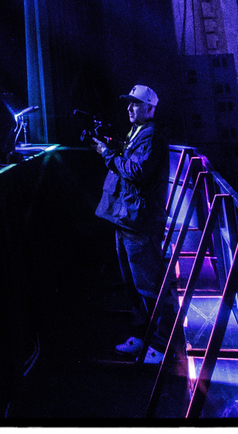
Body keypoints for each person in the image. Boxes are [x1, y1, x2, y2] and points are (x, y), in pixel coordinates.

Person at [93, 84, 172, 364]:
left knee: (150, 285)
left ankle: (162, 346)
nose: (129, 108)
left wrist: (107, 153)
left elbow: (136, 171)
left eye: (136, 104)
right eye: (129, 103)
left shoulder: (151, 136)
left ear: (150, 108)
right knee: (133, 284)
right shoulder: (138, 133)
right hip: (127, 219)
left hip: (139, 222)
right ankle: (142, 337)